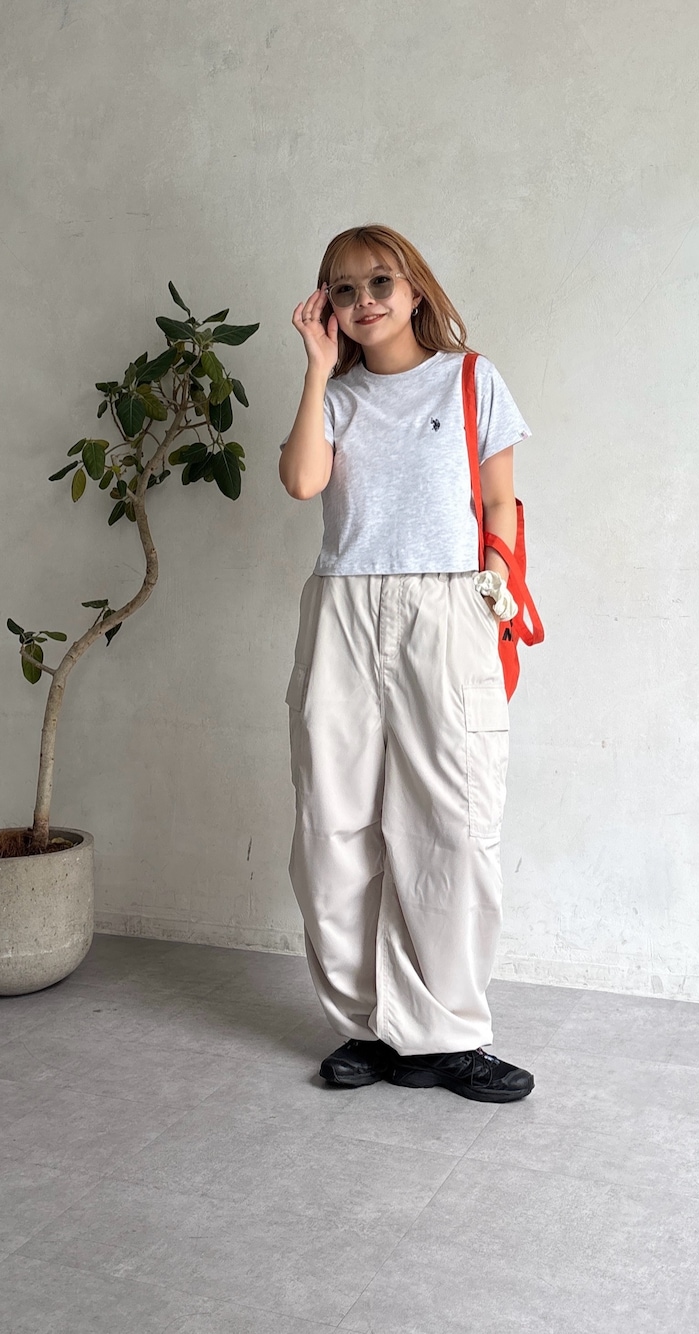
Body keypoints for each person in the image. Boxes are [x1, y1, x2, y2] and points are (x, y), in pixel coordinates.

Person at [279, 224, 534, 1103]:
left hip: (447, 606)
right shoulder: (336, 397)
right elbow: (302, 482)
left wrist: (491, 586)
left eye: (380, 280)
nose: (364, 301)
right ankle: (367, 1027)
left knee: (453, 822)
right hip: (344, 608)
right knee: (333, 823)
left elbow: (498, 500)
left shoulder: (471, 379)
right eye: (343, 289)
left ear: (414, 286)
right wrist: (317, 370)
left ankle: (449, 1034)